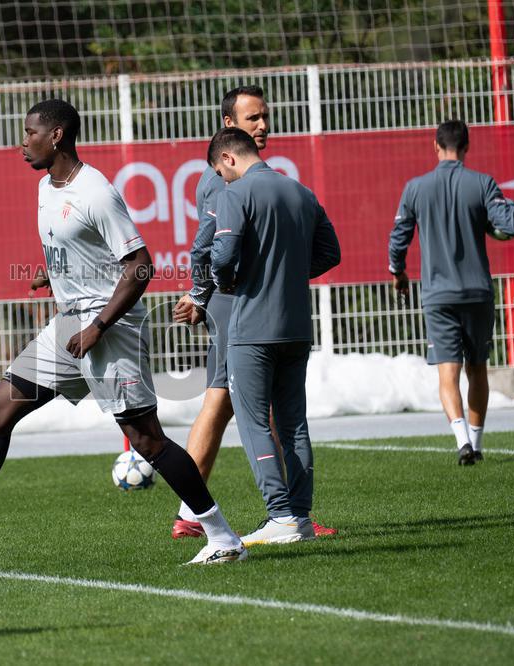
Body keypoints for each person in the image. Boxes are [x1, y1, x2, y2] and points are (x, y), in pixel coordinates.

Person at [0, 99, 247, 565]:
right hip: (70, 323)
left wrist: (98, 326)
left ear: (57, 136)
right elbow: (83, 253)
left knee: (146, 439)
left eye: (30, 132)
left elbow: (139, 266)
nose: (22, 142)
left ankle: (222, 538)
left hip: (108, 330)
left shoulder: (95, 192)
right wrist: (53, 275)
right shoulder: (45, 187)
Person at [173, 86, 336, 540]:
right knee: (237, 406)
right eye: (253, 119)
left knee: (233, 407)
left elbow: (216, 251)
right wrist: (206, 294)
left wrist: (230, 282)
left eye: (265, 116)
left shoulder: (241, 184)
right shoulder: (233, 181)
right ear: (230, 127)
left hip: (250, 308)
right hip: (254, 313)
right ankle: (199, 510)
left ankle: (273, 514)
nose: (263, 125)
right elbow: (207, 246)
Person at [209, 128, 341, 546]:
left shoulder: (237, 193)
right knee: (294, 424)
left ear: (228, 158)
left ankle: (279, 516)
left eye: (220, 171)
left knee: (252, 423)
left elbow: (225, 255)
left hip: (253, 327)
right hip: (297, 326)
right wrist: (286, 275)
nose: (222, 180)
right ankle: (300, 518)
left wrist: (228, 280)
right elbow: (331, 253)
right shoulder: (301, 192)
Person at [388, 119, 514, 465]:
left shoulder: (415, 188)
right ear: (467, 148)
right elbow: (511, 224)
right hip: (477, 292)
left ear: (436, 147)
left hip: (438, 295)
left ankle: (461, 442)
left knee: (447, 372)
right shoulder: (482, 183)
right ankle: (478, 443)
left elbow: (398, 240)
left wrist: (399, 272)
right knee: (477, 369)